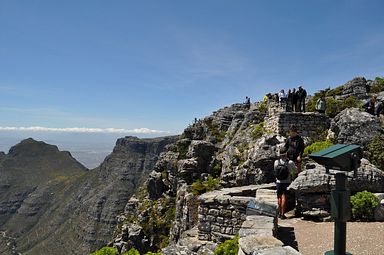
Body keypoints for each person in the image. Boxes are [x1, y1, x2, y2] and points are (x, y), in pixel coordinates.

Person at [274, 146, 297, 219]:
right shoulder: (290, 162)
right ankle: (282, 214)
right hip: (287, 182)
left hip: (278, 182)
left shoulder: (276, 162)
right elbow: (295, 171)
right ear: (286, 153)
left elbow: (275, 170)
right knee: (284, 197)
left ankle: (278, 212)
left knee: (279, 197)